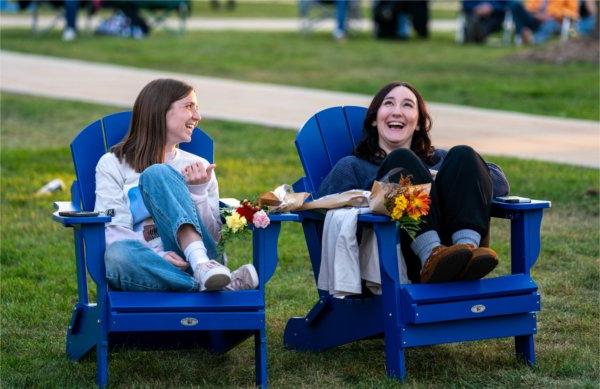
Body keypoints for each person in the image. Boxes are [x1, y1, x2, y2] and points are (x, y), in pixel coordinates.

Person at [318, 82, 510, 284]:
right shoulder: (355, 166)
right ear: (374, 119)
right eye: (389, 104)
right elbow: (323, 204)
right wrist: (385, 195)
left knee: (464, 153)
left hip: (457, 250)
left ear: (418, 122)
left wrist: (438, 181)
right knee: (402, 161)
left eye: (408, 105)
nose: (397, 112)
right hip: (402, 259)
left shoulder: (442, 160)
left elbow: (499, 184)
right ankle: (432, 255)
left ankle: (467, 252)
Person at [95, 78, 258, 292]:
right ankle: (208, 286)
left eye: (197, 109)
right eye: (189, 107)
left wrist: (199, 192)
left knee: (157, 173)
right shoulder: (113, 164)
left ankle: (199, 266)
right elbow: (114, 231)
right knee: (117, 255)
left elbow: (213, 238)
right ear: (159, 110)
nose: (198, 117)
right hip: (151, 264)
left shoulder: (198, 166)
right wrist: (158, 255)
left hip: (202, 258)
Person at [508, 0, 579, 45]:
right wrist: (537, 15)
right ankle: (523, 31)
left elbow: (573, 12)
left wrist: (552, 15)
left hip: (555, 20)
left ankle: (533, 40)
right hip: (535, 18)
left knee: (550, 24)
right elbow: (528, 7)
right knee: (515, 5)